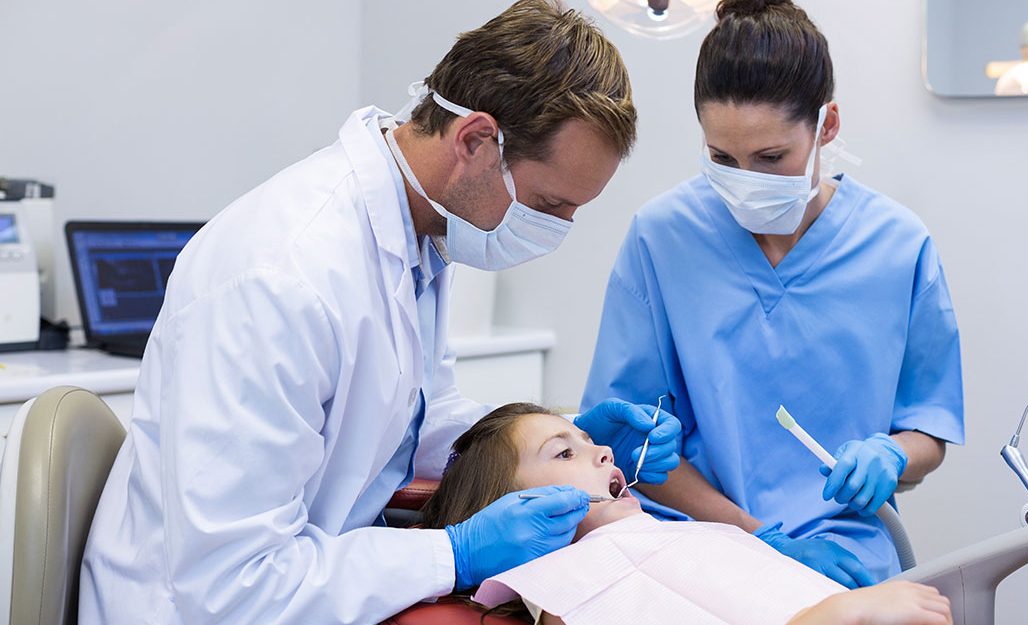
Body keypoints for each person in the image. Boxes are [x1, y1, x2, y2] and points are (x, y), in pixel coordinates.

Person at [78, 2, 682, 623]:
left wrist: (568, 437)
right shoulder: (281, 278)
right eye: (549, 204)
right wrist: (451, 554)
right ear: (476, 141)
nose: (558, 229)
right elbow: (233, 584)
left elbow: (414, 419)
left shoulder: (420, 235)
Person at [580, 0, 965, 587]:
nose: (745, 182)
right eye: (721, 159)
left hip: (841, 546)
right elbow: (631, 441)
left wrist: (891, 456)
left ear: (825, 127)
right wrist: (752, 536)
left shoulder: (897, 246)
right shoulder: (664, 237)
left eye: (770, 157)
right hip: (688, 534)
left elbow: (927, 427)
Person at [420, 404, 953, 625]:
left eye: (588, 440)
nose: (604, 451)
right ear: (506, 512)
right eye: (565, 453)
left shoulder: (669, 540)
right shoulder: (568, 579)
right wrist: (837, 616)